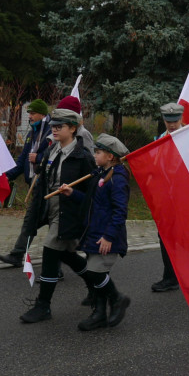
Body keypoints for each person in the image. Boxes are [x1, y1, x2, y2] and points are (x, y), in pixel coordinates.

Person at [19, 107, 97, 323]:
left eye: (59, 126)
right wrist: (34, 215)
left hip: (68, 213)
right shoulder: (52, 151)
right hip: (51, 209)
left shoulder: (83, 157)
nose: (53, 129)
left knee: (51, 252)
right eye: (52, 125)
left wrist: (74, 195)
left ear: (73, 128)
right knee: (66, 255)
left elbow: (92, 193)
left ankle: (43, 305)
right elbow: (43, 183)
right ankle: (98, 286)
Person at [67, 134, 132, 330]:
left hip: (106, 236)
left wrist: (109, 237)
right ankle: (100, 314)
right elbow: (92, 203)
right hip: (93, 232)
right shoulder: (100, 175)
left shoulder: (118, 179)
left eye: (98, 152)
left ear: (110, 156)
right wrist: (73, 194)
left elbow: (120, 211)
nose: (94, 155)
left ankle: (117, 298)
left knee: (95, 274)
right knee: (97, 275)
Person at [0, 99, 53, 268]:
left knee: (51, 224)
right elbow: (23, 160)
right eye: (29, 113)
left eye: (33, 113)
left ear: (42, 114)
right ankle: (17, 254)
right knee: (32, 221)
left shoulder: (51, 132)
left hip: (48, 187)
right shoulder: (32, 133)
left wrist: (40, 158)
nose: (29, 116)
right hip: (35, 186)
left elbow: (54, 157)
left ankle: (61, 261)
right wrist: (8, 176)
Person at [151, 102, 185, 292]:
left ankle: (185, 273)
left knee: (184, 237)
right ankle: (171, 276)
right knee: (165, 236)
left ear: (181, 118)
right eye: (167, 121)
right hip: (166, 198)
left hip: (185, 197)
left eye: (175, 120)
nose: (171, 124)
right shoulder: (160, 139)